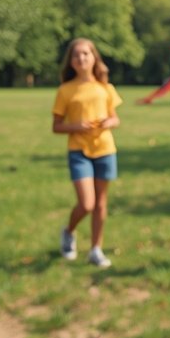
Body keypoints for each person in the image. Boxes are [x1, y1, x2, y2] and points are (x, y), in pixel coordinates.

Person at [52, 38, 123, 268]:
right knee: (87, 204)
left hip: (104, 149)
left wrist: (108, 122)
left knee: (101, 204)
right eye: (76, 55)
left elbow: (115, 118)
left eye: (85, 54)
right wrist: (77, 126)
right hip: (79, 151)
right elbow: (56, 125)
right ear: (71, 61)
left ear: (94, 57)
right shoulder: (65, 90)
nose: (81, 58)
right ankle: (69, 231)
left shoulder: (105, 88)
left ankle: (96, 249)